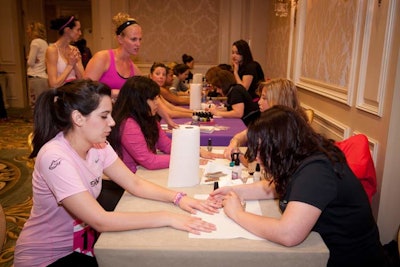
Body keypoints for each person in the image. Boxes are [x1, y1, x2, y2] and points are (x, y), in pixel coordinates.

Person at [14, 79, 218, 267]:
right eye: (104, 116)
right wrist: (168, 217)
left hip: (81, 247)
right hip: (48, 257)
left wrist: (178, 198)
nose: (112, 122)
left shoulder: (99, 145)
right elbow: (100, 220)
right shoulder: (55, 157)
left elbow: (134, 183)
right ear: (78, 118)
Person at [210, 105, 388, 267]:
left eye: (261, 150)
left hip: (351, 261)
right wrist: (235, 190)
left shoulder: (317, 172)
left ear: (279, 147)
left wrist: (237, 213)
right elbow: (276, 186)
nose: (256, 157)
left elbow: (288, 234)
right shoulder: (303, 154)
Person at [109, 76, 223, 174]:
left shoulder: (148, 118)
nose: (157, 103)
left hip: (142, 173)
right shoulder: (128, 124)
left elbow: (166, 145)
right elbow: (149, 161)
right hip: (130, 179)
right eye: (153, 99)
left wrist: (196, 151)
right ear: (138, 101)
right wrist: (186, 159)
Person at [223, 78, 306, 160]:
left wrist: (239, 157)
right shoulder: (272, 121)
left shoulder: (288, 130)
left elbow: (260, 164)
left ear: (278, 100)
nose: (259, 102)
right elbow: (245, 134)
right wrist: (235, 142)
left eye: (264, 98)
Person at [84, 12, 142, 101]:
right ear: (120, 39)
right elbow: (85, 90)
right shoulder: (102, 58)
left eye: (140, 39)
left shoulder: (135, 70)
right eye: (133, 39)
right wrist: (114, 93)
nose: (138, 44)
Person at [46, 15, 84, 88]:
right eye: (78, 30)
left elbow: (83, 80)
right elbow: (54, 84)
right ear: (67, 30)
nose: (80, 33)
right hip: (61, 95)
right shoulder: (52, 50)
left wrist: (75, 64)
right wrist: (70, 65)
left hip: (74, 94)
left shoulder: (74, 50)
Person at [26, 22, 49, 108]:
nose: (27, 31)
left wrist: (28, 57)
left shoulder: (35, 42)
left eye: (28, 29)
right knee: (43, 105)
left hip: (35, 76)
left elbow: (30, 62)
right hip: (43, 77)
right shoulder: (44, 43)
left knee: (35, 105)